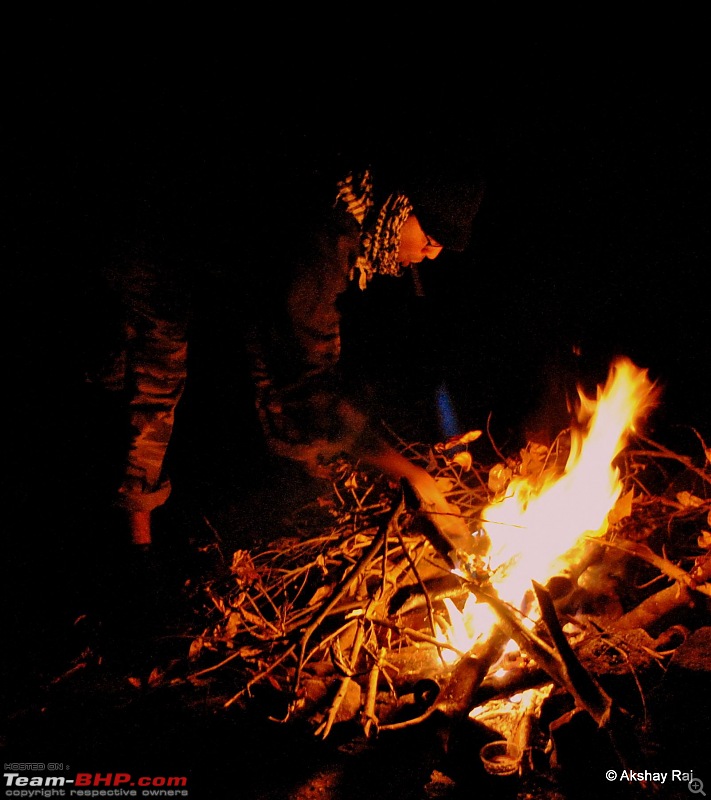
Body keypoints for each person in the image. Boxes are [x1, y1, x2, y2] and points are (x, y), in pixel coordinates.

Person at [90, 145, 486, 558]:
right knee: (142, 380)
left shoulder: (347, 211)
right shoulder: (319, 239)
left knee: (279, 400)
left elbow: (280, 354)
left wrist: (318, 452)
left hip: (191, 265)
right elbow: (310, 385)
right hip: (143, 247)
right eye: (431, 237)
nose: (432, 253)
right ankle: (130, 554)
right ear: (400, 207)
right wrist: (416, 477)